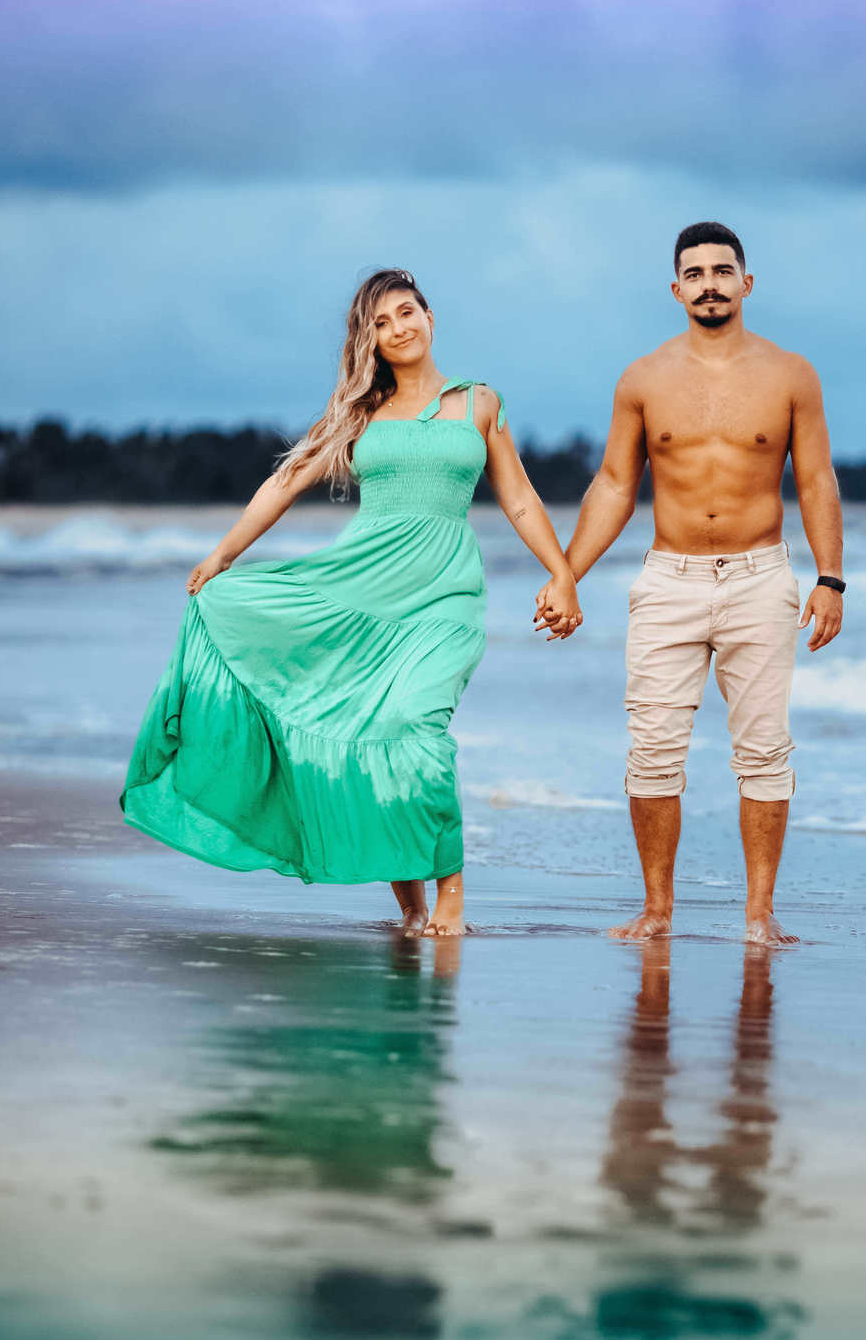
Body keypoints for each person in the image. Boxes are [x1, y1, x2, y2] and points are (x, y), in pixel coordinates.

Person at [121, 267, 582, 936]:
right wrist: (223, 555)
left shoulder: (479, 403)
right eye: (381, 324)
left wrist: (561, 573)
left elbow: (518, 498)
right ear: (370, 341)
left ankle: (450, 897)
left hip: (446, 597)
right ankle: (411, 906)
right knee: (372, 734)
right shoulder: (361, 412)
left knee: (418, 730)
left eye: (406, 312)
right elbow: (287, 481)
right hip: (362, 589)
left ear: (429, 316)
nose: (398, 329)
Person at [545, 221, 844, 945]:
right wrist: (566, 575)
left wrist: (831, 578)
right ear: (676, 289)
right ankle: (656, 911)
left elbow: (815, 480)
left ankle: (759, 913)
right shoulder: (643, 378)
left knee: (765, 751)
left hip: (760, 578)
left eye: (722, 270)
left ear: (747, 282)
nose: (710, 284)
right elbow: (615, 485)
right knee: (652, 750)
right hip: (668, 581)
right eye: (696, 273)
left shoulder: (791, 374)